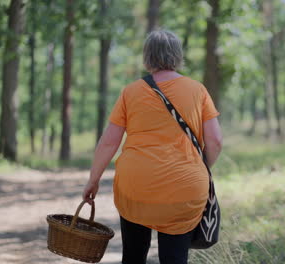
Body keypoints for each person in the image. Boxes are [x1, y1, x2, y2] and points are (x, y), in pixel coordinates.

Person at [82, 30, 223, 264]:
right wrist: (200, 168)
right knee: (174, 258)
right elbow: (216, 141)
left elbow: (109, 141)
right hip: (184, 188)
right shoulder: (198, 90)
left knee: (134, 256)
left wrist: (93, 180)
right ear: (178, 55)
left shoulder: (131, 92)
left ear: (147, 56)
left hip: (136, 187)